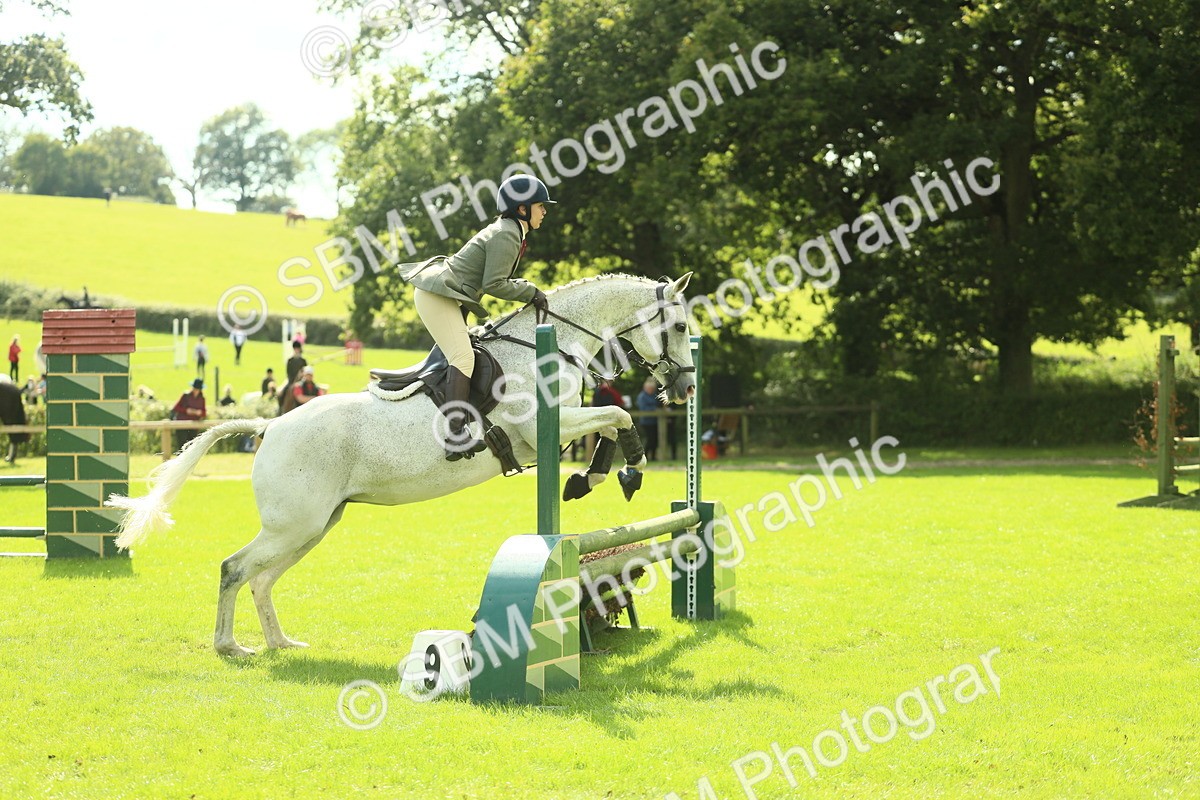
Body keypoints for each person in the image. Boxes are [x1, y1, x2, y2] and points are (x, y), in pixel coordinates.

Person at [398, 173, 555, 460]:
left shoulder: (510, 230)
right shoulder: (507, 233)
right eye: (540, 205)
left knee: (467, 352)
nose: (544, 211)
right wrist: (530, 291)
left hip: (446, 296)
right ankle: (455, 435)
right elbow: (494, 284)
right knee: (463, 358)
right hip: (437, 295)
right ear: (522, 208)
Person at [171, 378, 207, 451]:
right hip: (182, 424)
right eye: (195, 388)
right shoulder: (185, 396)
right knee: (182, 445)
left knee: (192, 446)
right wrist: (186, 410)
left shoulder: (202, 399)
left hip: (194, 426)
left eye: (197, 389)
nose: (196, 391)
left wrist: (199, 412)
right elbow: (176, 408)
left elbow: (204, 413)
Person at [635, 379, 661, 461]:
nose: (651, 390)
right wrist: (654, 409)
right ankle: (645, 455)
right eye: (650, 388)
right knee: (650, 439)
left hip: (654, 421)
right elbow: (643, 408)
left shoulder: (654, 395)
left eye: (653, 389)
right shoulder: (642, 396)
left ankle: (653, 456)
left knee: (655, 439)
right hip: (646, 421)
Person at [280, 342, 307, 413]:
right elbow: (288, 373)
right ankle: (280, 409)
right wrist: (293, 382)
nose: (296, 350)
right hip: (291, 381)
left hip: (302, 381)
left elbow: (306, 372)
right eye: (295, 349)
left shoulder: (303, 361)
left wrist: (301, 376)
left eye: (297, 349)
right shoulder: (290, 360)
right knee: (282, 393)